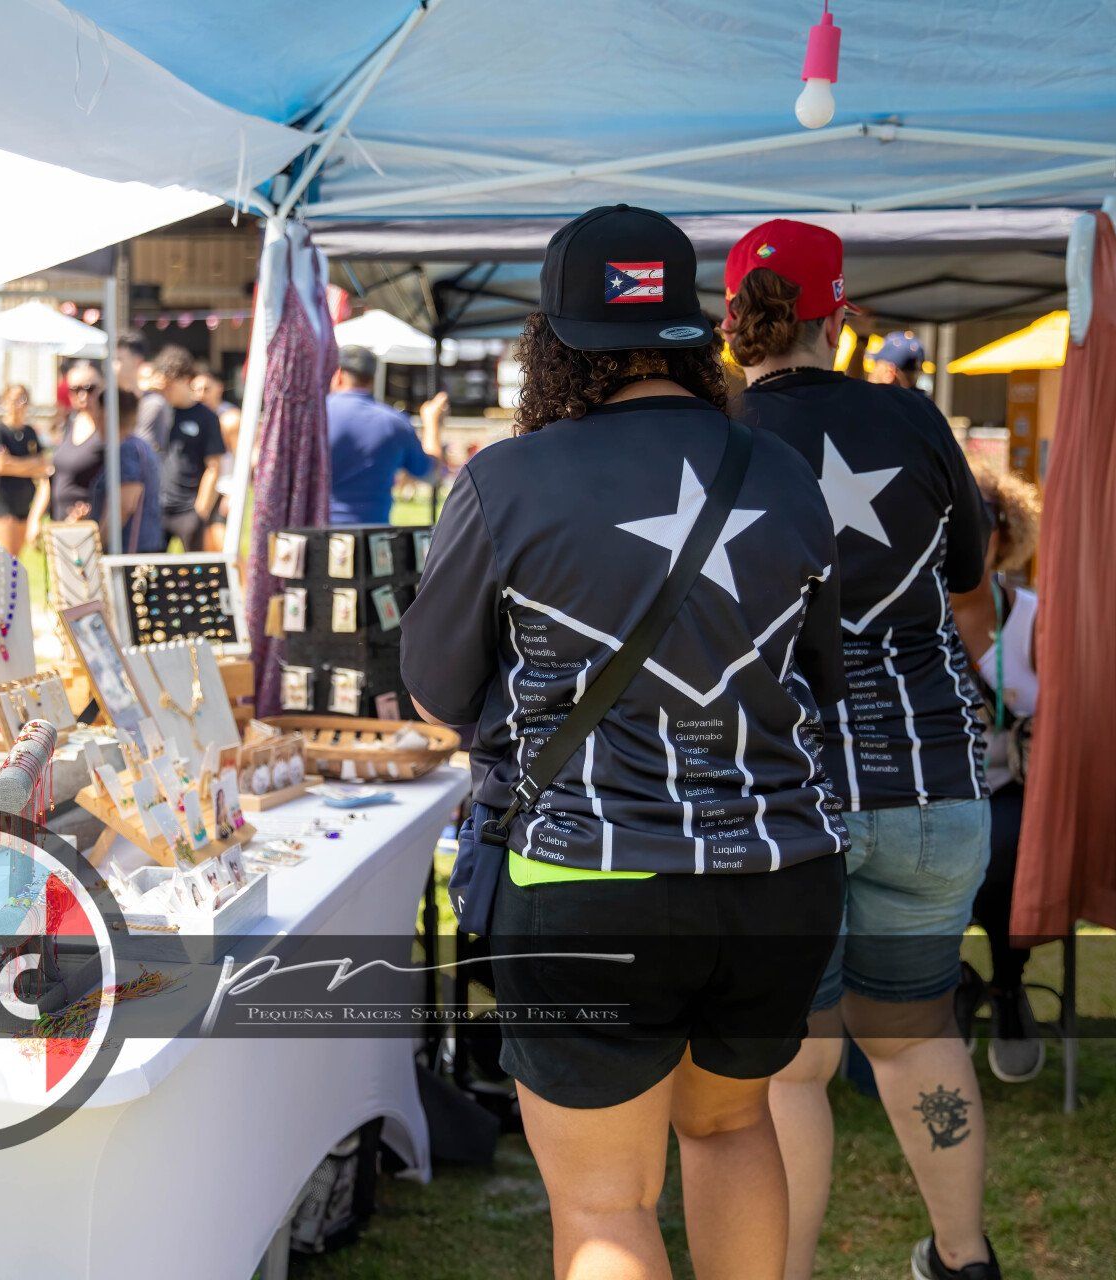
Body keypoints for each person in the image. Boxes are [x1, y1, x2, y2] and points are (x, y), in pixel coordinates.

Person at [401, 204, 847, 1280]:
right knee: (733, 1128)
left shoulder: (507, 480)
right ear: (690, 327)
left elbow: (435, 689)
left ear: (553, 342)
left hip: (584, 874)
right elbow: (822, 682)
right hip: (776, 872)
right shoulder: (785, 473)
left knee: (607, 1205)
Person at [724, 219, 1000, 1280]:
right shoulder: (911, 415)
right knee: (918, 1031)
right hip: (929, 777)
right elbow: (970, 578)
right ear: (837, 316)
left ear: (734, 320)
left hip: (784, 798)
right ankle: (964, 1260)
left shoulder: (715, 434)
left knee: (794, 1068)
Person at [949, 461, 1046, 1084]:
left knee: (1006, 848)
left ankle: (1007, 986)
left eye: (978, 524)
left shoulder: (1035, 617)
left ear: (1004, 532)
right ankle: (952, 981)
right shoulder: (905, 618)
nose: (961, 540)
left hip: (1010, 787)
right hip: (924, 791)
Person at [326, 345, 448, 525]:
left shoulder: (315, 416)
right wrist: (432, 422)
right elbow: (431, 474)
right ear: (372, 379)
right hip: (373, 535)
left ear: (338, 375)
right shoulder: (394, 423)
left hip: (317, 532)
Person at [48, 368, 163, 552]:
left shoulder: (126, 449)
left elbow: (123, 507)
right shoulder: (135, 446)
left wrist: (96, 546)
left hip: (129, 553)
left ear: (107, 416)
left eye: (98, 415)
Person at [141, 345, 226, 552]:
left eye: (170, 386)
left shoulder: (206, 416)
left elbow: (214, 466)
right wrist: (149, 387)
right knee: (151, 566)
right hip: (157, 506)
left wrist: (201, 511)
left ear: (185, 380)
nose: (166, 391)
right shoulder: (158, 411)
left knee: (195, 568)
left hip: (188, 508)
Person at [0, 383, 47, 556]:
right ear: (5, 401)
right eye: (13, 399)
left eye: (22, 399)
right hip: (6, 505)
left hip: (25, 504)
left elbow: (43, 464)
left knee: (17, 559)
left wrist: (13, 464)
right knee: (6, 557)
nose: (18, 404)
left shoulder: (29, 432)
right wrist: (30, 465)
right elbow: (0, 466)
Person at [191, 367, 240, 551]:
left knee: (225, 546)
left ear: (219, 388)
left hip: (224, 489)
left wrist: (234, 493)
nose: (200, 394)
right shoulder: (194, 417)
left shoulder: (230, 418)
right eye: (195, 389)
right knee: (205, 547)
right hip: (202, 489)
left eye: (206, 389)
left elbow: (242, 458)